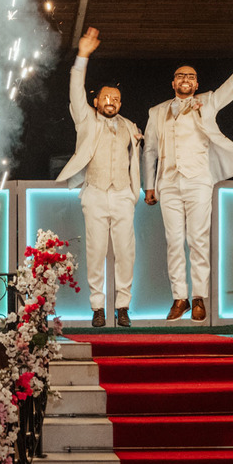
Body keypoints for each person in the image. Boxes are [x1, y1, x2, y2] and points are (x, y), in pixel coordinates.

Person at [142, 26, 233, 322]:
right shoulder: (156, 112)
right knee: (174, 241)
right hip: (168, 182)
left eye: (191, 76)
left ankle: (198, 297)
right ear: (173, 82)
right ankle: (179, 298)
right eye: (181, 75)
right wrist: (149, 186)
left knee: (198, 240)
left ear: (196, 83)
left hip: (198, 180)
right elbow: (149, 150)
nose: (186, 79)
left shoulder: (207, 102)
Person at [56, 27, 143, 328]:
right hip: (94, 192)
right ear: (96, 102)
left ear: (120, 103)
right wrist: (82, 56)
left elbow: (138, 158)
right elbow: (75, 91)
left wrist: (135, 192)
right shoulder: (86, 120)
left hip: (122, 194)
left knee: (126, 253)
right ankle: (97, 307)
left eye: (116, 98)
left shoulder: (130, 126)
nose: (111, 101)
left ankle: (123, 306)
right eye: (106, 97)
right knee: (95, 252)